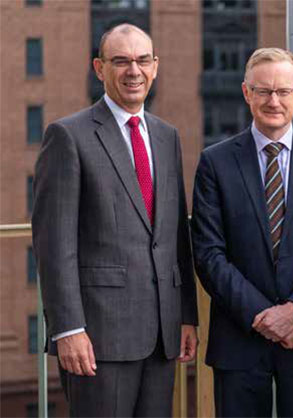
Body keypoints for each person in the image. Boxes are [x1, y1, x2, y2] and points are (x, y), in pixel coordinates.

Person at [31, 23, 198, 417]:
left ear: (155, 67)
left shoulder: (166, 136)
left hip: (161, 334)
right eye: (120, 61)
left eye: (142, 60)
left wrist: (186, 314)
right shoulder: (68, 136)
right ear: (99, 68)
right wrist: (68, 329)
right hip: (97, 338)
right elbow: (54, 243)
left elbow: (175, 236)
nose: (133, 71)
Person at [191, 48, 293, 417]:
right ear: (246, 93)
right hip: (240, 338)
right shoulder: (215, 161)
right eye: (263, 91)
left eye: (283, 91)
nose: (273, 101)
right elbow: (209, 254)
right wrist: (265, 316)